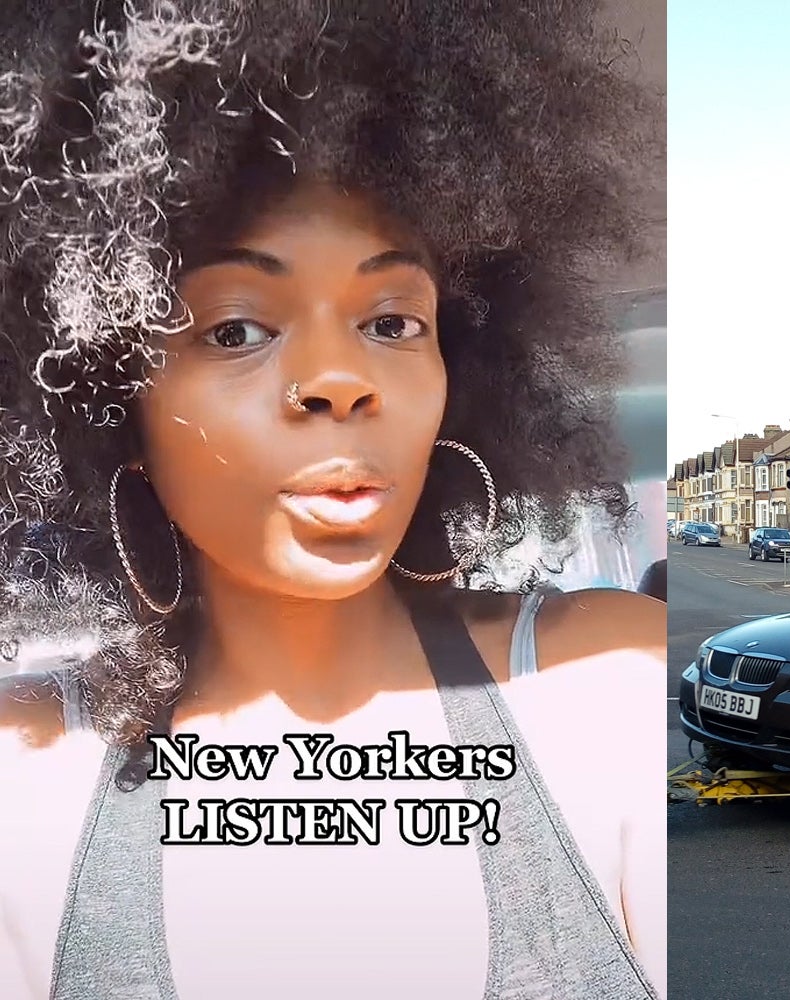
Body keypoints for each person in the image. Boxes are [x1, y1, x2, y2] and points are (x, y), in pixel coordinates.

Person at [0, 2, 665, 997]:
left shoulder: (614, 681)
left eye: (392, 320)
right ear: (113, 399)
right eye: (235, 330)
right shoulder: (27, 776)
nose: (337, 379)